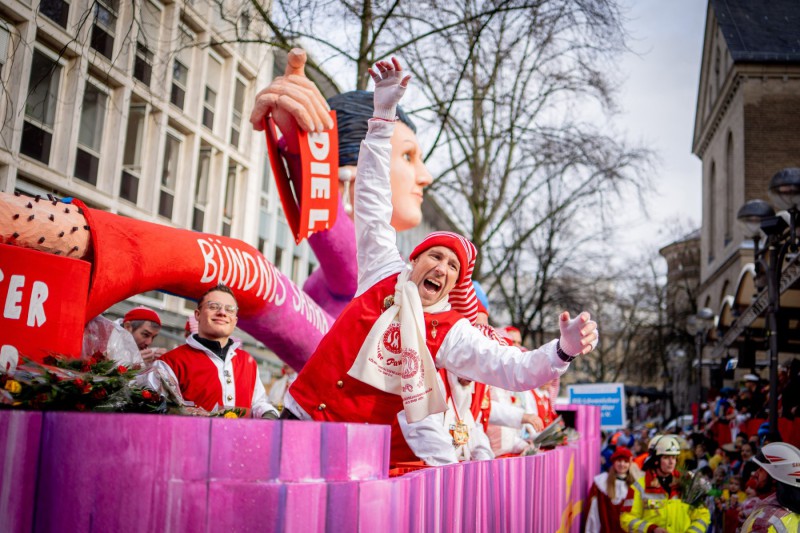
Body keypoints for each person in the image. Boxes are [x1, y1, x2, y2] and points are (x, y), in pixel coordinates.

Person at [282, 58, 598, 466]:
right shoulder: (381, 270)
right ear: (413, 259)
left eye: (453, 267)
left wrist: (563, 351)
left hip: (363, 456)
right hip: (304, 415)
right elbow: (374, 198)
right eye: (436, 256)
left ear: (454, 285)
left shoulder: (452, 332)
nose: (443, 268)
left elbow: (514, 369)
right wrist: (382, 115)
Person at [156, 285, 278, 419]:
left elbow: (258, 403)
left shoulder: (248, 362)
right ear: (197, 314)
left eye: (229, 309)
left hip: (241, 439)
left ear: (235, 320)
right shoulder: (169, 362)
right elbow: (154, 410)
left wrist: (269, 413)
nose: (222, 312)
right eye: (214, 306)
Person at [621, 434, 711, 533]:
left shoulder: (687, 484)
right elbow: (627, 519)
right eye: (666, 457)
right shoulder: (638, 487)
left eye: (674, 457)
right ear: (656, 460)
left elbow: (703, 515)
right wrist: (651, 529)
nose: (671, 462)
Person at [740, 442, 800, 531]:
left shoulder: (765, 521)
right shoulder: (794, 512)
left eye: (761, 469)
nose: (755, 473)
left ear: (775, 477)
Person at [586, 447, 640, 533]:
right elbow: (593, 513)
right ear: (613, 462)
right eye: (619, 461)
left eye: (625, 462)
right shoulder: (601, 482)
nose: (622, 464)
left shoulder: (635, 486)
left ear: (630, 464)